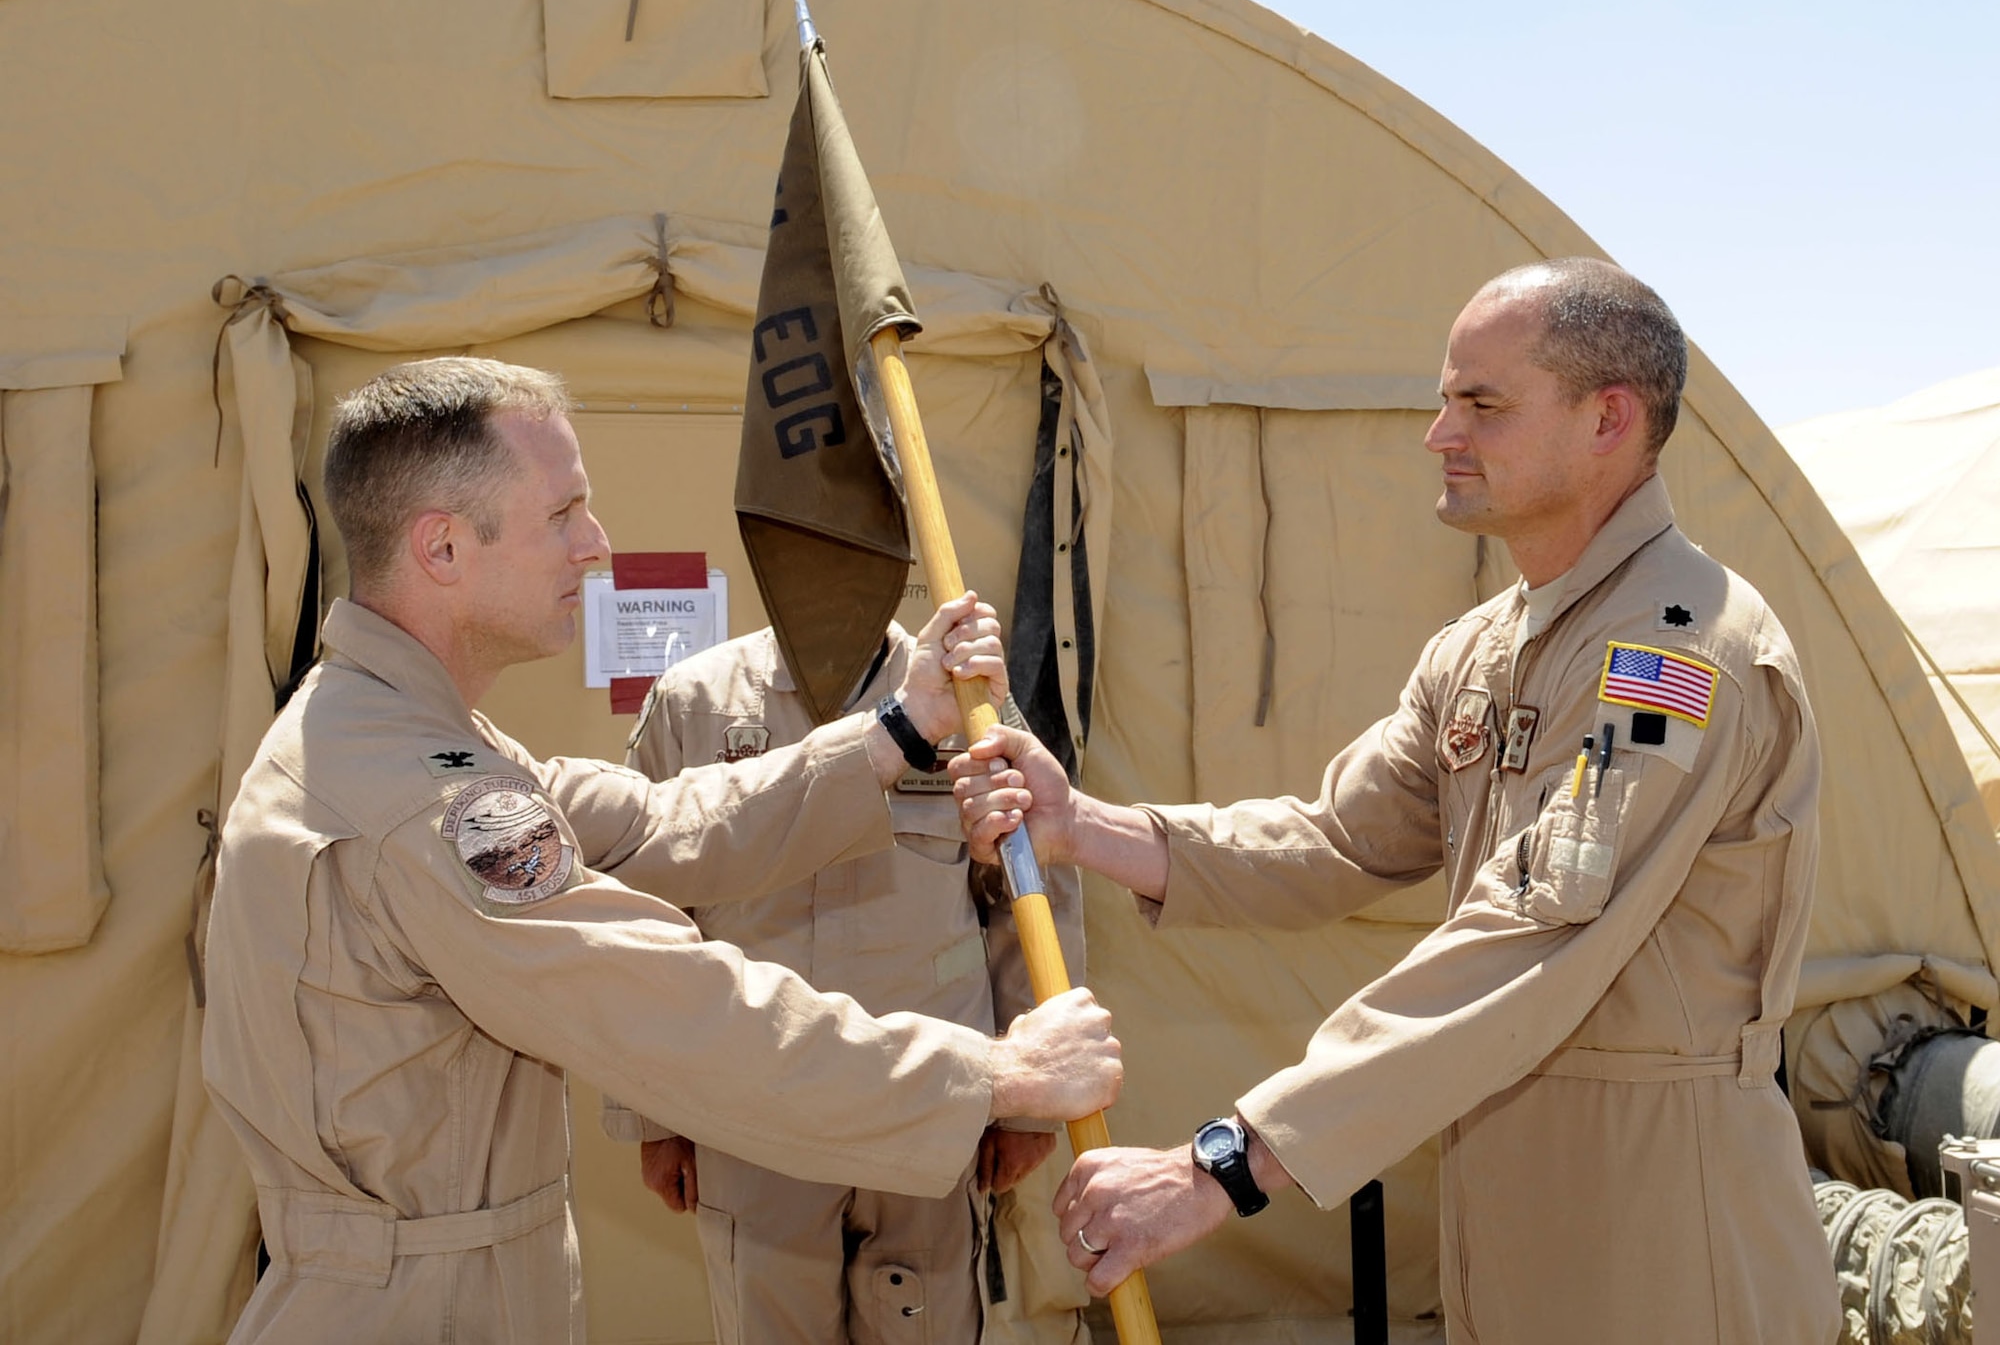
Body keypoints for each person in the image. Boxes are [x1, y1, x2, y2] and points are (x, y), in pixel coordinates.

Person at [954, 259, 1840, 1344]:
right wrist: (1083, 827)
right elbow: (1335, 840)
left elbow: (1523, 936)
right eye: (1442, 397)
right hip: (1505, 1205)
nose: (1437, 432)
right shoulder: (1483, 648)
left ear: (1608, 418)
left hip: (1659, 1216)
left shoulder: (1673, 651)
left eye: (1481, 403)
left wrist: (1219, 1165)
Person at [200, 356, 1122, 1345]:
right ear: (443, 547)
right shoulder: (417, 796)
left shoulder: (403, 738)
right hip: (415, 1309)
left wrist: (897, 731)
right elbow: (666, 1003)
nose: (595, 546)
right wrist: (993, 1075)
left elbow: (658, 825)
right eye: (562, 514)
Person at [603, 622, 1085, 1343]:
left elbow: (1031, 894)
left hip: (929, 1103)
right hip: (755, 1112)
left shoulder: (973, 706)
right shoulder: (695, 703)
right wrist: (650, 1117)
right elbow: (638, 914)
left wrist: (1026, 1111)